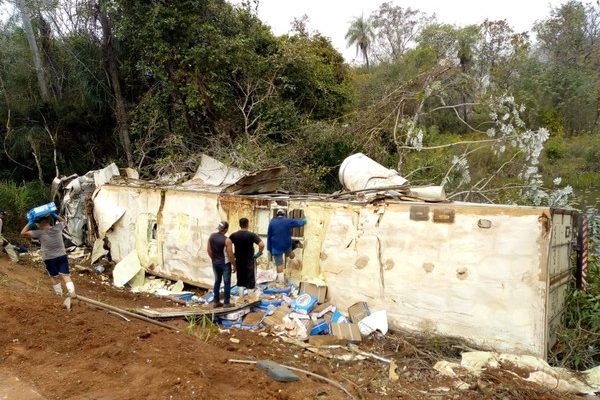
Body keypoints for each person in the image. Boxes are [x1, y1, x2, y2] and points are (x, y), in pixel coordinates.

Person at [21, 213, 76, 298]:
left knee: (54, 276)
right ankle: (72, 292)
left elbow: (23, 233)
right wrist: (56, 216)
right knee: (65, 275)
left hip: (49, 258)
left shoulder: (39, 233)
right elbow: (65, 222)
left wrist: (30, 223)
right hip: (62, 255)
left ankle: (59, 294)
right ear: (49, 221)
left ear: (38, 223)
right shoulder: (57, 228)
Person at [267, 209, 306, 284]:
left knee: (279, 264)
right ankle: (299, 268)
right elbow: (298, 223)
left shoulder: (272, 222)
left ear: (277, 215)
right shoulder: (287, 221)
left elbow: (269, 235)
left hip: (276, 245)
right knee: (291, 254)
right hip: (286, 244)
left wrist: (269, 248)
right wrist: (305, 220)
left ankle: (281, 282)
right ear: (284, 214)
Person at [229, 218, 264, 293]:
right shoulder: (252, 235)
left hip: (239, 260)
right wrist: (259, 253)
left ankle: (241, 298)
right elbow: (261, 244)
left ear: (239, 225)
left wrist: (232, 255)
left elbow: (227, 244)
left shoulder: (234, 235)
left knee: (241, 280)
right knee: (250, 280)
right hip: (249, 260)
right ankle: (250, 300)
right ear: (247, 224)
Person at [207, 221, 236, 308]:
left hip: (215, 263)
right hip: (225, 264)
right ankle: (226, 303)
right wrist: (234, 265)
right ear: (226, 229)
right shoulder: (227, 240)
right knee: (227, 283)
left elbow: (208, 250)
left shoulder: (211, 236)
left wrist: (214, 259)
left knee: (217, 281)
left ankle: (216, 301)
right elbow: (230, 255)